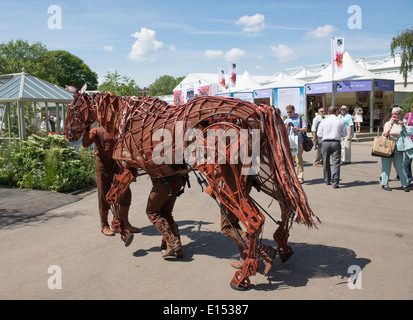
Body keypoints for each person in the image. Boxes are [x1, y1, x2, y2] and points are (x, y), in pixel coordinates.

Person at [82, 126, 140, 236]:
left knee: (125, 192)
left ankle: (125, 222)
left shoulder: (121, 128)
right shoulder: (97, 130)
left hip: (118, 163)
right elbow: (85, 144)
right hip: (103, 164)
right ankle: (104, 225)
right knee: (104, 194)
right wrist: (86, 131)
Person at [146, 175, 184, 259]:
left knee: (152, 212)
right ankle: (178, 248)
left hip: (163, 181)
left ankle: (172, 242)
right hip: (177, 179)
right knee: (166, 213)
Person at [381, 106, 413, 192]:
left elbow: (410, 131)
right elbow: (385, 134)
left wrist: (402, 125)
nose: (394, 115)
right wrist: (390, 125)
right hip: (387, 147)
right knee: (386, 166)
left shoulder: (402, 124)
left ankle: (405, 184)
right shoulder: (388, 123)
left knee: (400, 166)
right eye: (393, 114)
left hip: (398, 148)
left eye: (397, 114)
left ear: (400, 115)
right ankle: (385, 184)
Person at [317, 106, 347, 189]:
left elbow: (319, 134)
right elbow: (344, 133)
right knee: (336, 162)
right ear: (336, 112)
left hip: (325, 142)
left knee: (326, 161)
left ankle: (327, 179)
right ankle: (335, 182)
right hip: (336, 142)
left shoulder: (324, 121)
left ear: (328, 112)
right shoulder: (340, 121)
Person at [284, 105, 307, 184]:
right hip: (290, 142)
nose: (289, 114)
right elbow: (283, 130)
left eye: (290, 112)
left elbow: (305, 128)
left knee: (299, 159)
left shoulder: (300, 118)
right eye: (287, 112)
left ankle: (300, 177)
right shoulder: (287, 120)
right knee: (291, 160)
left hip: (298, 141)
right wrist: (286, 127)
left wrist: (296, 129)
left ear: (294, 110)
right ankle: (292, 176)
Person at [403, 103, 413, 184]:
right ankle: (408, 178)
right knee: (407, 161)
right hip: (409, 141)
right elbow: (403, 125)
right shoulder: (408, 115)